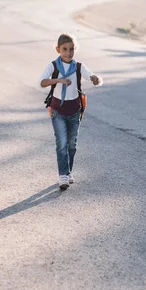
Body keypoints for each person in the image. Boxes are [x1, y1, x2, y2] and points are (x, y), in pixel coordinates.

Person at [39, 33, 102, 190]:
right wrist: (59, 80)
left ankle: (68, 172)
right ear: (58, 49)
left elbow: (92, 76)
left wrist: (96, 79)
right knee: (62, 143)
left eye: (71, 49)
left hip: (74, 111)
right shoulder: (53, 66)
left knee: (72, 144)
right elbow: (42, 82)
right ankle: (63, 175)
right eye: (64, 49)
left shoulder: (79, 67)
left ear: (75, 49)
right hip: (57, 111)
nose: (68, 53)